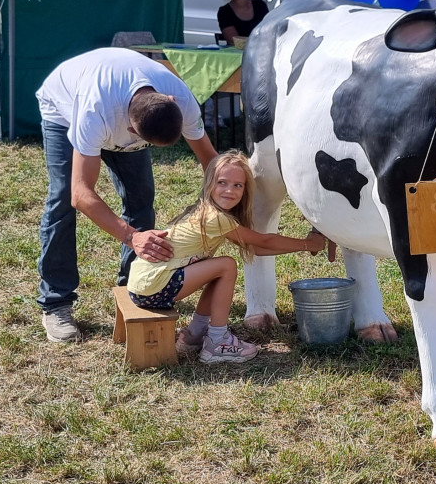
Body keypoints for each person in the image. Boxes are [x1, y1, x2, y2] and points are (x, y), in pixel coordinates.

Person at [35, 47, 219, 343]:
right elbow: (81, 194)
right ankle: (56, 303)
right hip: (64, 109)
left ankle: (135, 288)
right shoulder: (94, 111)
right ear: (132, 129)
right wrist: (133, 237)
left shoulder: (180, 97)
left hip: (118, 105)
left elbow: (210, 160)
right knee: (62, 202)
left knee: (141, 200)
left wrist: (233, 199)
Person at [128, 150, 326, 363]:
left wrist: (304, 247)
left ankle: (194, 335)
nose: (229, 191)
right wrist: (308, 244)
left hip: (144, 284)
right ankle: (217, 342)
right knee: (226, 266)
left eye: (237, 185)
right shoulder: (216, 219)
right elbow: (264, 241)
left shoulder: (206, 212)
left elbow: (256, 249)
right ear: (209, 183)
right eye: (222, 182)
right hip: (153, 286)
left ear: (245, 190)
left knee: (218, 270)